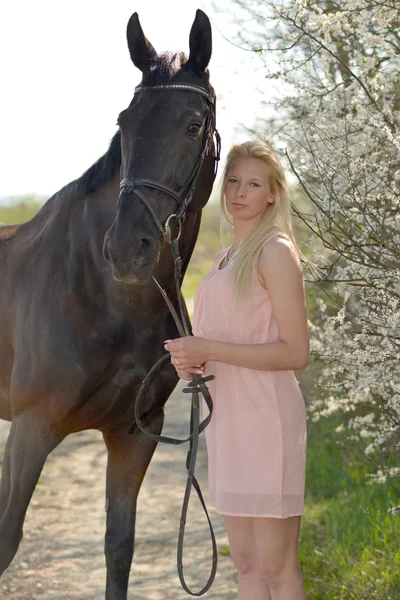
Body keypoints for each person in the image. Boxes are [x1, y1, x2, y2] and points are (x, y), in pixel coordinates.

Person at [163, 140, 309, 600]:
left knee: (276, 567)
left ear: (272, 194)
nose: (239, 192)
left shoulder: (275, 251)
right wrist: (192, 360)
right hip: (227, 424)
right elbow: (224, 342)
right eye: (233, 181)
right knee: (245, 564)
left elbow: (294, 352)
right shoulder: (225, 260)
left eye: (253, 184)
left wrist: (210, 347)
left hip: (267, 421)